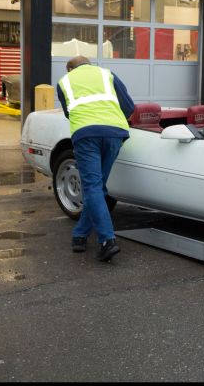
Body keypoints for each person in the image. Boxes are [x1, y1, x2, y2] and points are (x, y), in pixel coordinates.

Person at [56, 56, 135, 262]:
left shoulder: (64, 82)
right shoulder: (107, 74)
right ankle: (80, 235)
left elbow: (68, 113)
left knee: (92, 188)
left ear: (70, 68)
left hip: (86, 135)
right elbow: (128, 106)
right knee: (97, 188)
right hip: (115, 133)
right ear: (89, 64)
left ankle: (107, 240)